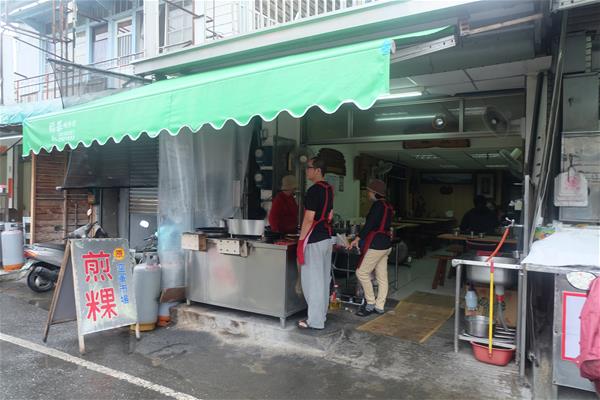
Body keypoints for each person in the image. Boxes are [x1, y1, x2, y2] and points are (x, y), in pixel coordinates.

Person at [296, 157, 334, 330]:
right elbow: (330, 215)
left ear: (318, 170)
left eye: (309, 168)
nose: (307, 171)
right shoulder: (329, 189)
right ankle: (321, 316)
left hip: (314, 239)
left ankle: (315, 321)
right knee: (324, 280)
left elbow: (309, 219)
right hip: (326, 238)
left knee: (313, 282)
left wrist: (301, 240)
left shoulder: (313, 191)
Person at [349, 179, 394, 316]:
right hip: (386, 244)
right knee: (382, 277)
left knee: (361, 272)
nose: (368, 194)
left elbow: (369, 225)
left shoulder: (377, 206)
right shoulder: (388, 205)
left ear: (374, 193)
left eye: (369, 191)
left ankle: (370, 303)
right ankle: (380, 306)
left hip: (376, 245)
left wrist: (357, 238)